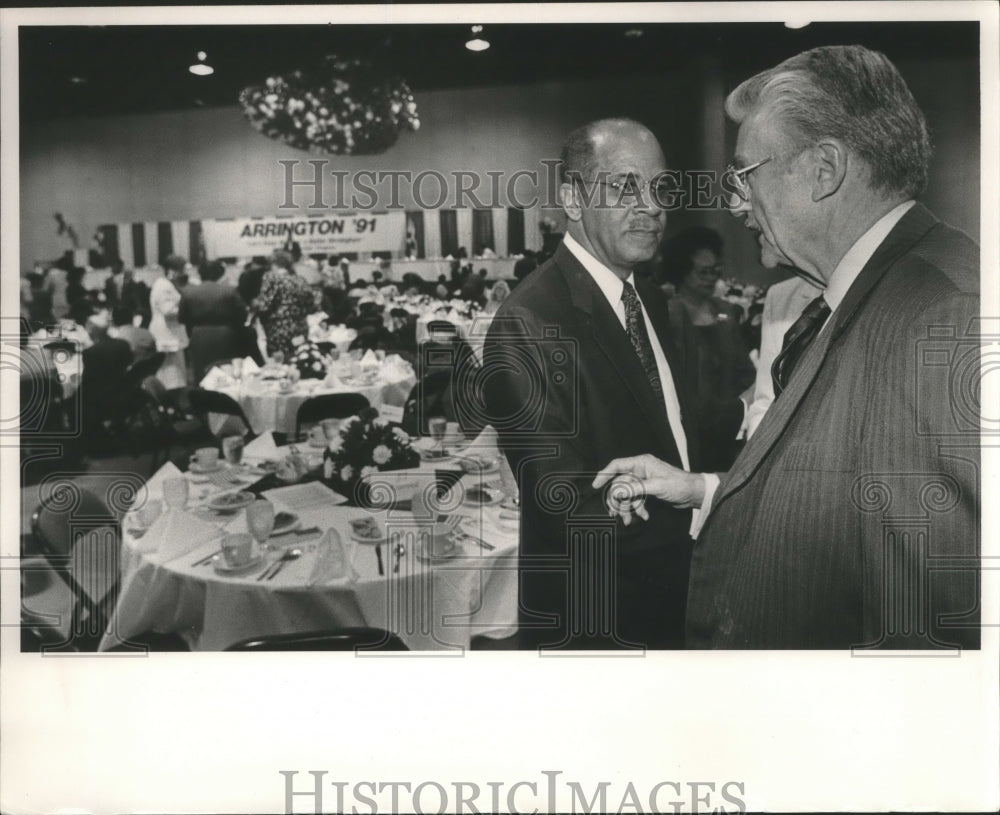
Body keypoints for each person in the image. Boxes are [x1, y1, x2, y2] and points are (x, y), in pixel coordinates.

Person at [594, 46, 979, 650]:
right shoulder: (862, 293)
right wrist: (703, 489)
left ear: (823, 169)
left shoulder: (946, 315)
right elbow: (843, 501)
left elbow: (934, 630)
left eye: (745, 174)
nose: (734, 202)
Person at [482, 118, 742, 650]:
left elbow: (683, 430)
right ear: (573, 200)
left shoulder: (652, 301)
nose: (651, 205)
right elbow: (565, 504)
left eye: (659, 187)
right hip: (596, 624)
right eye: (625, 186)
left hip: (674, 609)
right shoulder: (530, 320)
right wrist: (704, 522)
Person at [662, 226, 757, 469]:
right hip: (692, 426)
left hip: (730, 423)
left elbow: (743, 367)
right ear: (681, 271)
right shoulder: (671, 312)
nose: (711, 279)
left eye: (715, 271)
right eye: (703, 272)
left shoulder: (724, 310)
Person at [179, 259, 249, 382]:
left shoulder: (188, 292)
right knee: (225, 373)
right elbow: (242, 315)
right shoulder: (229, 291)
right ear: (220, 274)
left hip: (198, 335)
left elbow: (182, 318)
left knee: (201, 375)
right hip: (225, 334)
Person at [254, 249, 319, 360]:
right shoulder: (300, 280)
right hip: (301, 328)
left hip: (279, 330)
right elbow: (311, 305)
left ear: (273, 263)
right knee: (299, 360)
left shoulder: (271, 278)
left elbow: (264, 306)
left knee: (281, 365)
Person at [148, 254, 190, 388]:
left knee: (174, 373)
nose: (184, 273)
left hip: (170, 332)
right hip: (167, 334)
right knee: (172, 376)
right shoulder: (164, 286)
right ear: (172, 271)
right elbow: (168, 311)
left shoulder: (166, 285)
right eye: (182, 270)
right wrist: (189, 310)